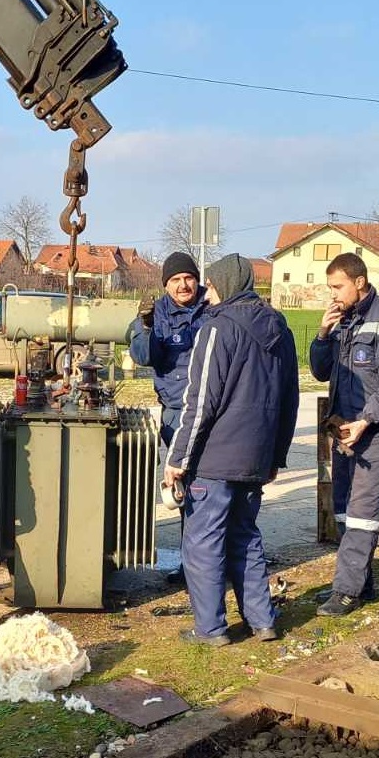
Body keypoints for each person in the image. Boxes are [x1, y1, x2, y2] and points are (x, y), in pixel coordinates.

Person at [163, 254, 300, 646]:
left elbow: (200, 400)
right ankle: (263, 622)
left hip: (216, 459)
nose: (207, 291)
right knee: (245, 536)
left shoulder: (217, 329)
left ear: (226, 282)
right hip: (256, 458)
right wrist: (276, 457)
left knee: (203, 543)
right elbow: (290, 398)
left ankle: (210, 629)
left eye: (211, 283)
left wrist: (177, 460)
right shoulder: (281, 330)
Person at [309, 252, 379, 617]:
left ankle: (345, 591)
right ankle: (361, 581)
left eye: (338, 287)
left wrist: (367, 420)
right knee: (343, 511)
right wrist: (323, 334)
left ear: (359, 282)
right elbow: (321, 373)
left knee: (363, 514)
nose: (333, 295)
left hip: (376, 432)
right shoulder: (343, 322)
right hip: (344, 431)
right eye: (330, 288)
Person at [129, 251, 209, 584]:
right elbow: (143, 356)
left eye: (188, 278)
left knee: (210, 489)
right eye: (175, 280)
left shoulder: (212, 307)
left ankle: (213, 563)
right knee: (186, 490)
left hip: (211, 410)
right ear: (166, 285)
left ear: (197, 280)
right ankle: (193, 565)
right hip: (176, 413)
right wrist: (146, 327)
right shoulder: (155, 313)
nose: (183, 285)